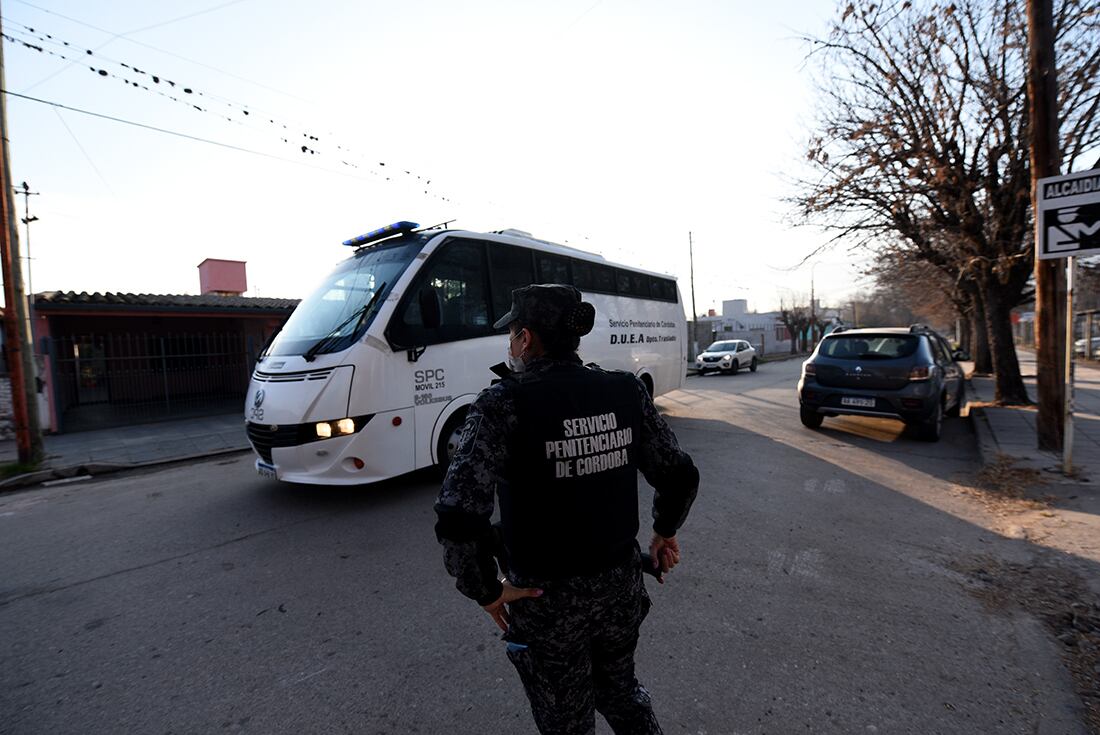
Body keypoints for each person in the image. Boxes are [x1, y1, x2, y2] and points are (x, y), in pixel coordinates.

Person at [434, 283, 700, 735]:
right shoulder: (625, 390)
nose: (510, 345)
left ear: (525, 339)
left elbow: (458, 516)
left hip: (546, 604)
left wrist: (486, 591)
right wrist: (664, 531)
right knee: (622, 692)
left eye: (512, 334)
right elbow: (679, 475)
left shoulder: (502, 403)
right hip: (619, 592)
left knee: (565, 721)